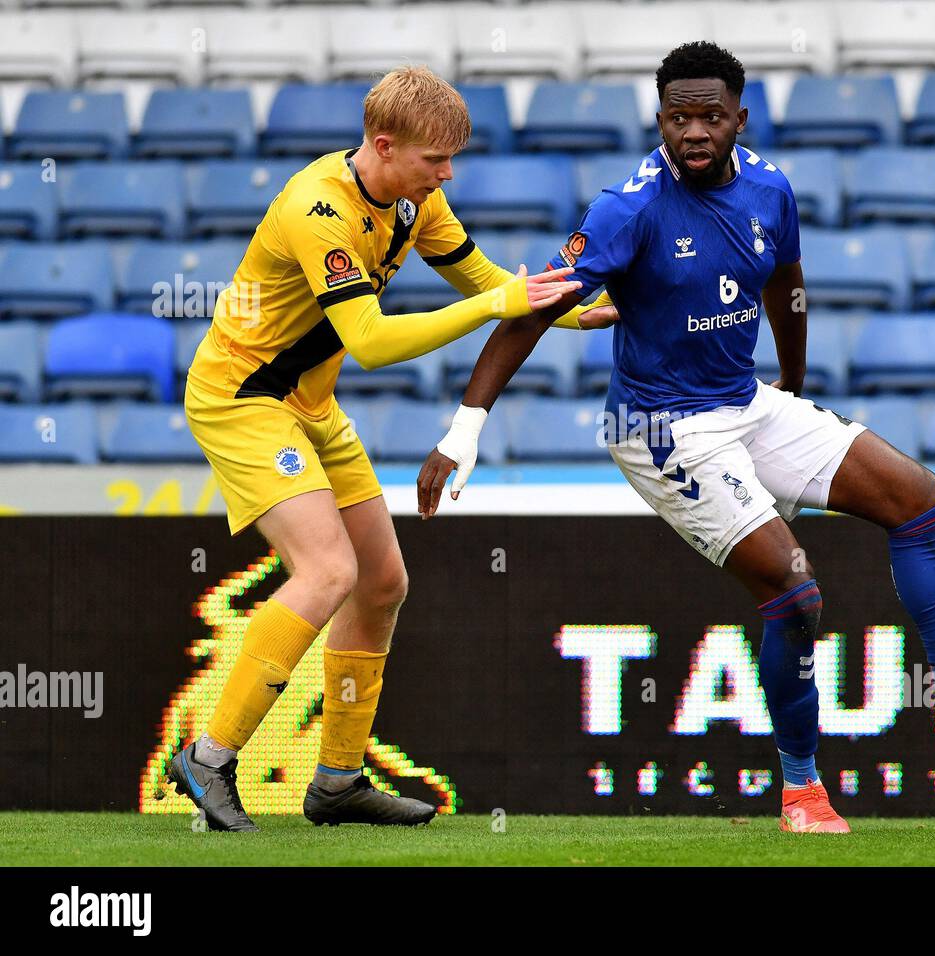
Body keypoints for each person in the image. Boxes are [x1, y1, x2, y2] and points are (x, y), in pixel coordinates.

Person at [416, 42, 935, 834]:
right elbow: (531, 311)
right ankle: (801, 792)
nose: (692, 131)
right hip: (659, 426)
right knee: (797, 592)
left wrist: (792, 386)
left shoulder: (769, 188)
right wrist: (464, 429)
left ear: (739, 117)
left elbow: (785, 285)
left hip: (744, 401)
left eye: (708, 116)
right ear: (658, 118)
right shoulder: (627, 210)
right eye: (676, 116)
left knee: (918, 497)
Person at [173, 66, 615, 832]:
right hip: (242, 400)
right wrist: (493, 305)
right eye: (433, 161)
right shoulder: (318, 210)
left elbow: (479, 276)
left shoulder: (416, 198)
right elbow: (372, 342)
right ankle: (207, 759)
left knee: (380, 583)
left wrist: (570, 313)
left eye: (450, 161)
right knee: (329, 571)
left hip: (310, 403)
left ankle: (338, 782)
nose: (447, 175)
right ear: (383, 144)